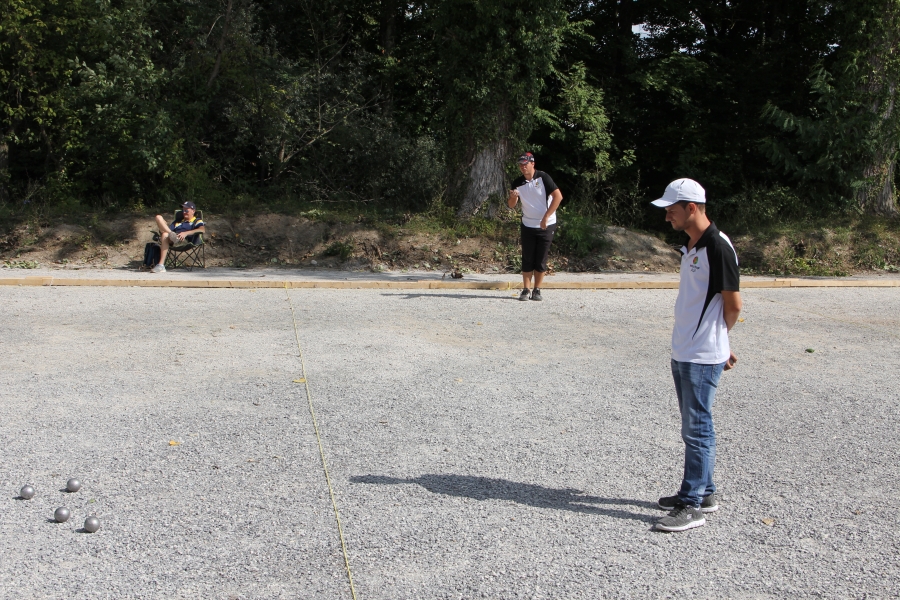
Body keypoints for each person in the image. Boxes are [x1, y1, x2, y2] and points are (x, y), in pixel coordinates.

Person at [651, 178, 742, 533]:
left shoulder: (718, 248)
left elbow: (733, 305)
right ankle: (705, 493)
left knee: (698, 429)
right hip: (686, 351)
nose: (666, 217)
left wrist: (719, 344)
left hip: (701, 355)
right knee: (693, 428)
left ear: (691, 208)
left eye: (670, 210)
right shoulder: (691, 245)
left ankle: (691, 505)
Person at [507, 152, 563, 301]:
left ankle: (537, 289)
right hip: (528, 223)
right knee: (527, 257)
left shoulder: (543, 177)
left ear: (533, 164)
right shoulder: (518, 182)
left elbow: (558, 197)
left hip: (546, 223)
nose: (523, 167)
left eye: (525, 164)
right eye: (521, 165)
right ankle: (526, 289)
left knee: (541, 258)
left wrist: (546, 217)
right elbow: (511, 205)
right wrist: (513, 198)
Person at [150, 201, 205, 273]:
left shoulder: (196, 220)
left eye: (186, 210)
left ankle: (161, 265)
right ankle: (171, 234)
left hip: (184, 241)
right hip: (173, 238)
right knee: (158, 217)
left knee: (165, 235)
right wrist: (170, 233)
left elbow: (202, 230)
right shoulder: (178, 221)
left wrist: (186, 233)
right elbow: (167, 230)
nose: (184, 212)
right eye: (183, 210)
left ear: (193, 211)